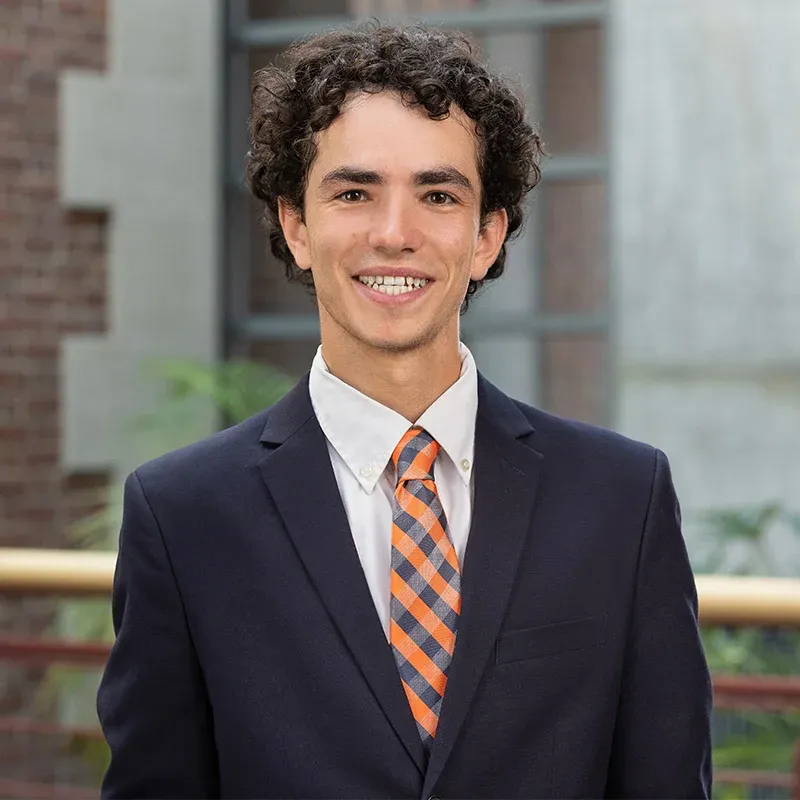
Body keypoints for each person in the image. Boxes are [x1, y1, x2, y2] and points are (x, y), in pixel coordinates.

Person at [96, 22, 712, 799]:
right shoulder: (182, 517)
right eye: (354, 193)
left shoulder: (623, 500)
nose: (395, 234)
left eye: (438, 194)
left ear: (487, 236)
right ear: (297, 226)